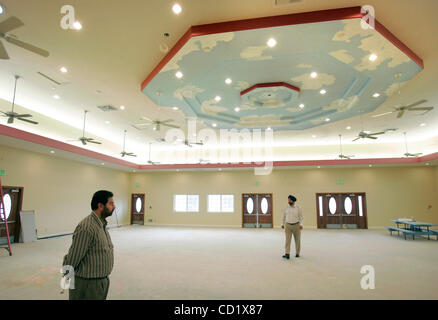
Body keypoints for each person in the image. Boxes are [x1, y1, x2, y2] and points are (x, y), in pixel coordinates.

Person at [62, 190, 115, 300]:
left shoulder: (101, 225)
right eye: (111, 203)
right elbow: (73, 257)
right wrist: (66, 279)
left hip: (100, 282)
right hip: (87, 284)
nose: (114, 206)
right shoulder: (87, 227)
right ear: (100, 205)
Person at [281, 195, 303, 260]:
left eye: (289, 200)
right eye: (288, 200)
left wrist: (301, 224)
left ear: (293, 201)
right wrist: (282, 224)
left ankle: (297, 253)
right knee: (287, 240)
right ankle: (287, 253)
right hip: (287, 225)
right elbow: (283, 216)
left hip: (296, 225)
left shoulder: (298, 208)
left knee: (297, 240)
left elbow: (301, 217)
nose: (288, 201)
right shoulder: (286, 207)